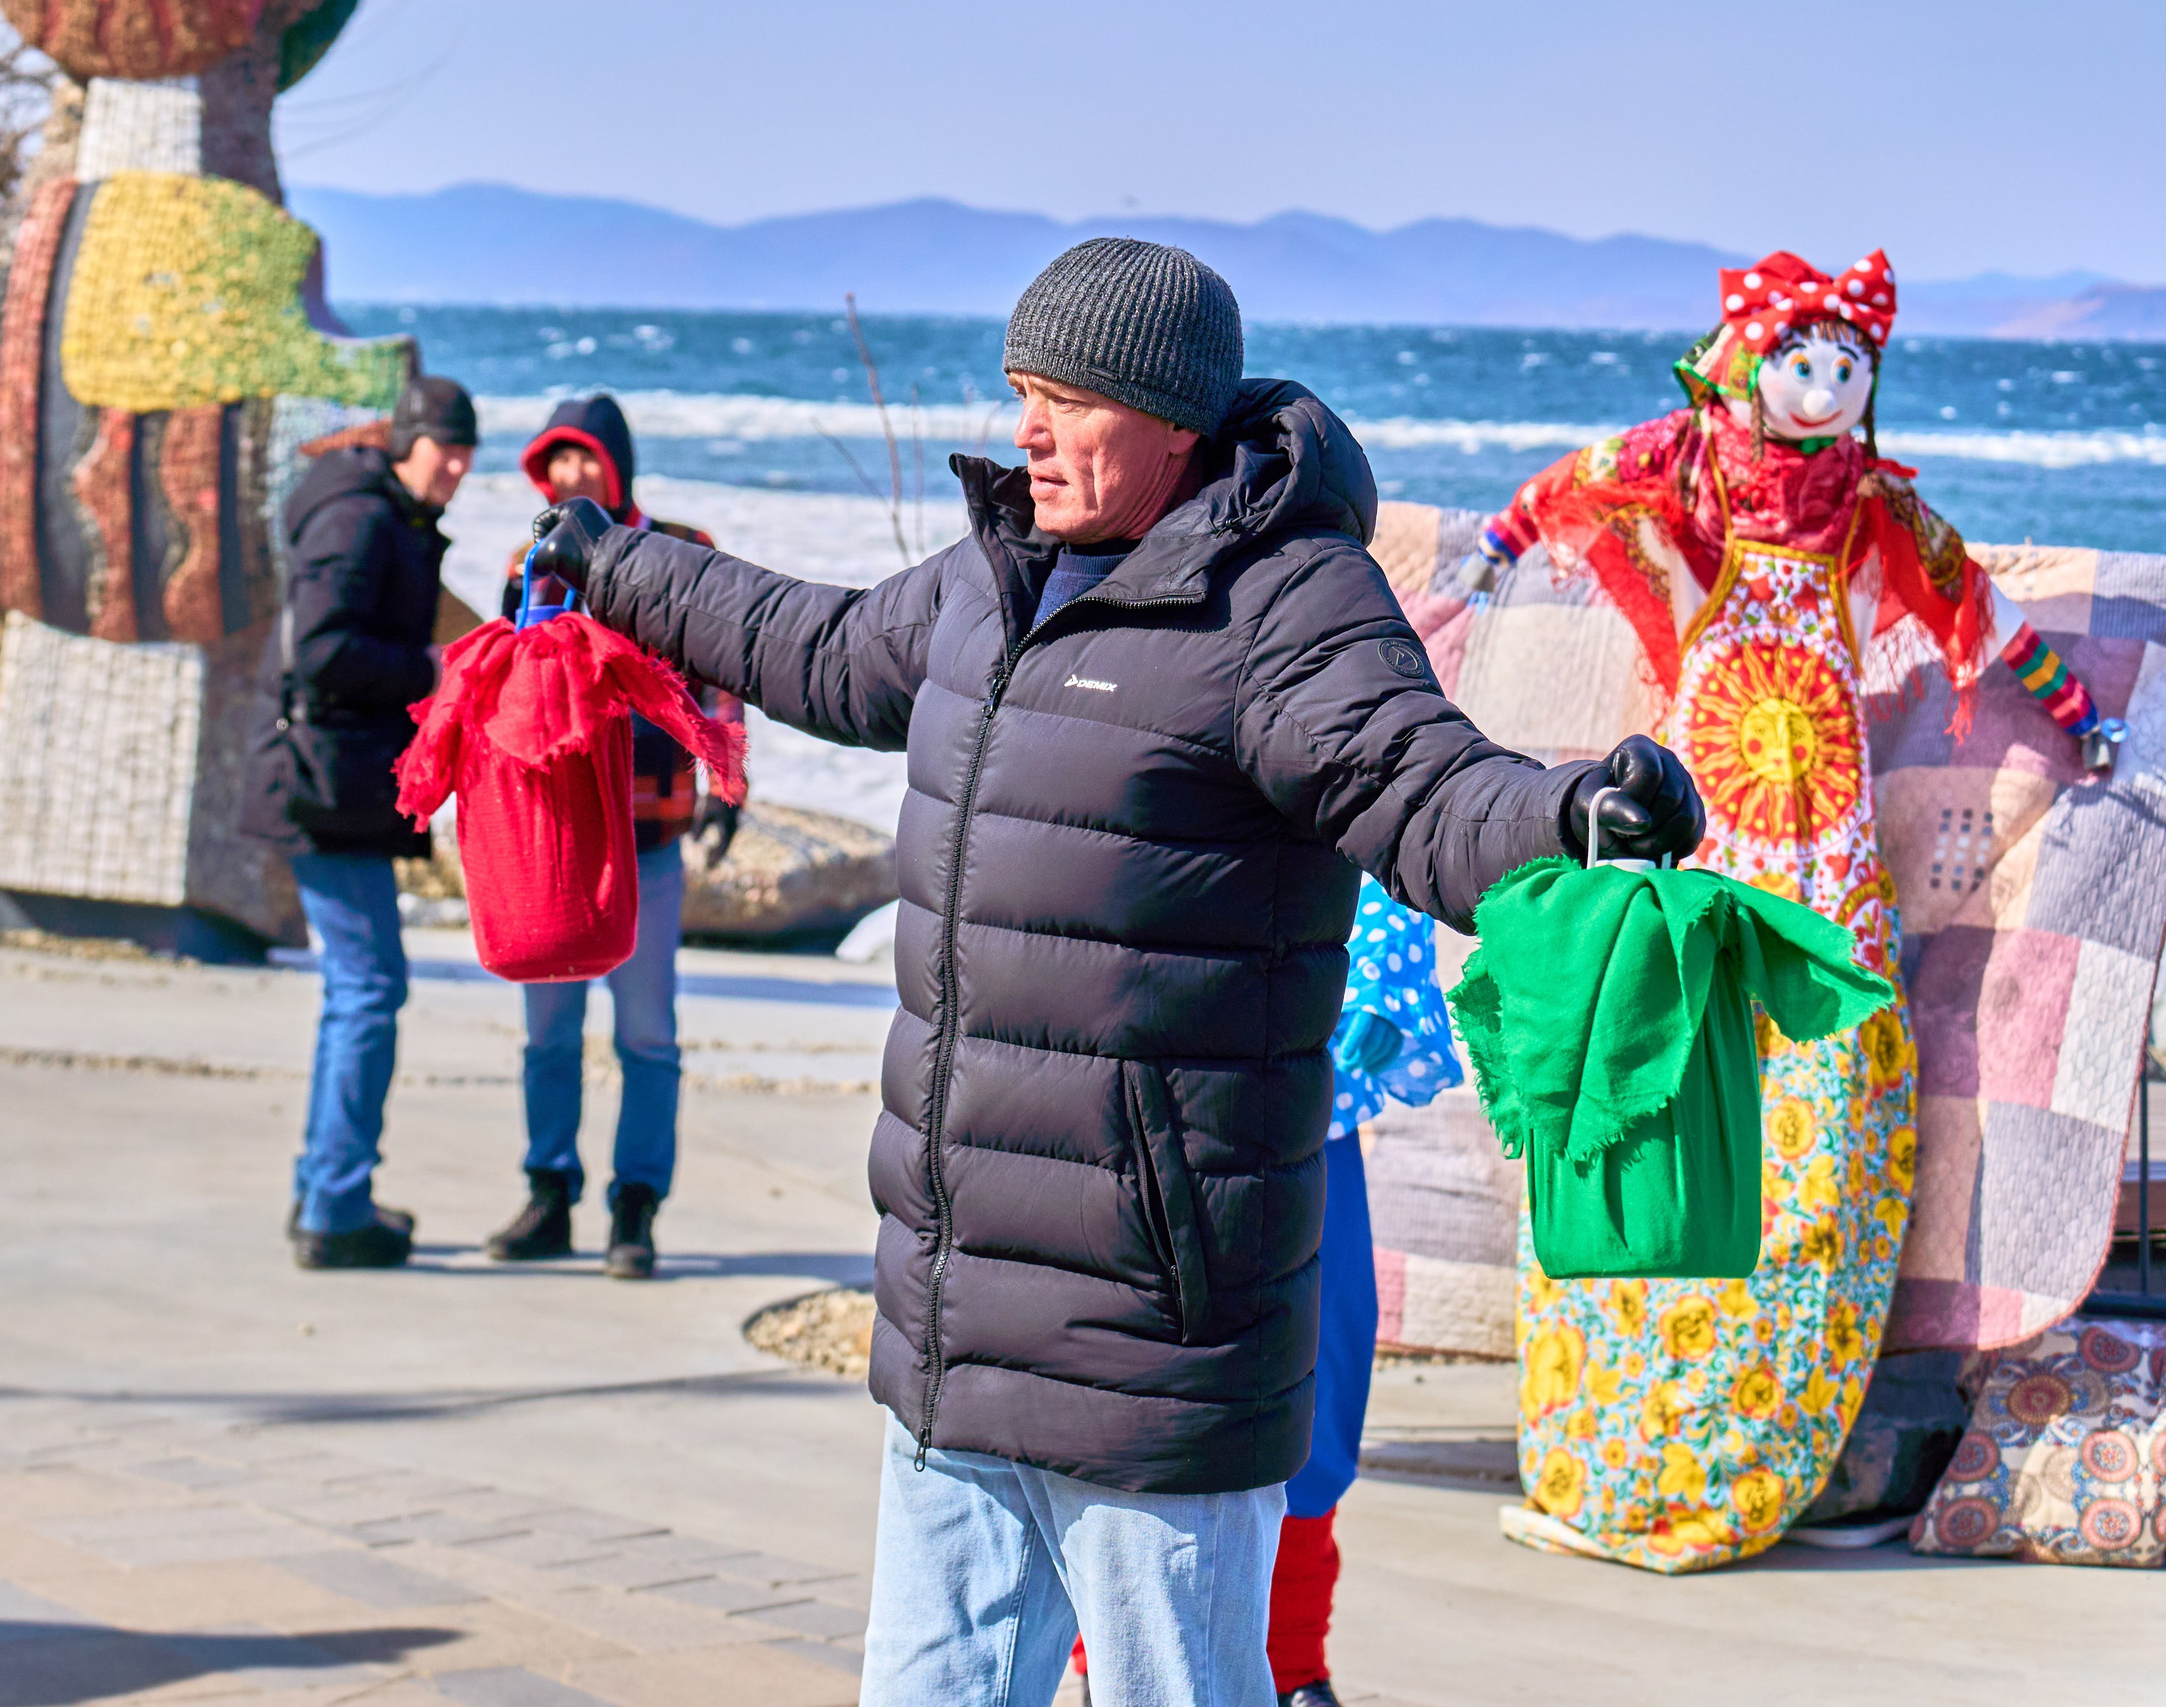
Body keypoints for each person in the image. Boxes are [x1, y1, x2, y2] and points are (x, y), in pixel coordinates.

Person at [524, 238, 1704, 1706]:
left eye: (1063, 399)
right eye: (1019, 390)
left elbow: (1419, 780)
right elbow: (809, 642)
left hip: (1152, 1330)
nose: (1024, 428)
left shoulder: (1283, 605)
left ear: (1171, 422)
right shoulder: (987, 578)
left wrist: (1570, 811)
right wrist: (609, 561)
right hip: (954, 1325)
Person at [1463, 249, 2115, 1572]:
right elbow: (1563, 492)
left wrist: (2077, 712)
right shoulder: (1685, 483)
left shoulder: (1868, 512)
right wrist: (1486, 558)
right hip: (1709, 840)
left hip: (1824, 846)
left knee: (1815, 1136)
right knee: (1665, 1112)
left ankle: (1753, 1448)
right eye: (1799, 363)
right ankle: (1622, 1440)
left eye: (1847, 367)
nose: (1824, 387)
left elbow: (1973, 609)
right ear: (1746, 370)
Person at [1065, 878, 1462, 1705]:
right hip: (1143, 1102)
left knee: (1315, 1397)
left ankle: (1291, 1662)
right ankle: (1104, 1650)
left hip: (1298, 1111)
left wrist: (1385, 970)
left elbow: (1379, 790)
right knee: (1130, 1400)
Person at [481, 395, 747, 1281]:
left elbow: (725, 672)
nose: (570, 477)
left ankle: (636, 1207)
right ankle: (548, 1191)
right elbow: (507, 689)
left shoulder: (682, 548)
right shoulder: (533, 559)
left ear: (618, 465)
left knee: (647, 1033)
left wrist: (727, 777)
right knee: (548, 1029)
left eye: (586, 459)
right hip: (559, 837)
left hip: (649, 828)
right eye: (555, 463)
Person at [243, 374, 477, 1270]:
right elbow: (325, 650)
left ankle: (325, 1189)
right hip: (320, 782)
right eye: (442, 446)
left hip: (332, 781)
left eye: (465, 451)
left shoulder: (384, 513)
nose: (453, 465)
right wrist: (429, 666)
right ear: (405, 441)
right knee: (370, 990)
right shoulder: (361, 518)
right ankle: (335, 1205)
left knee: (358, 989)